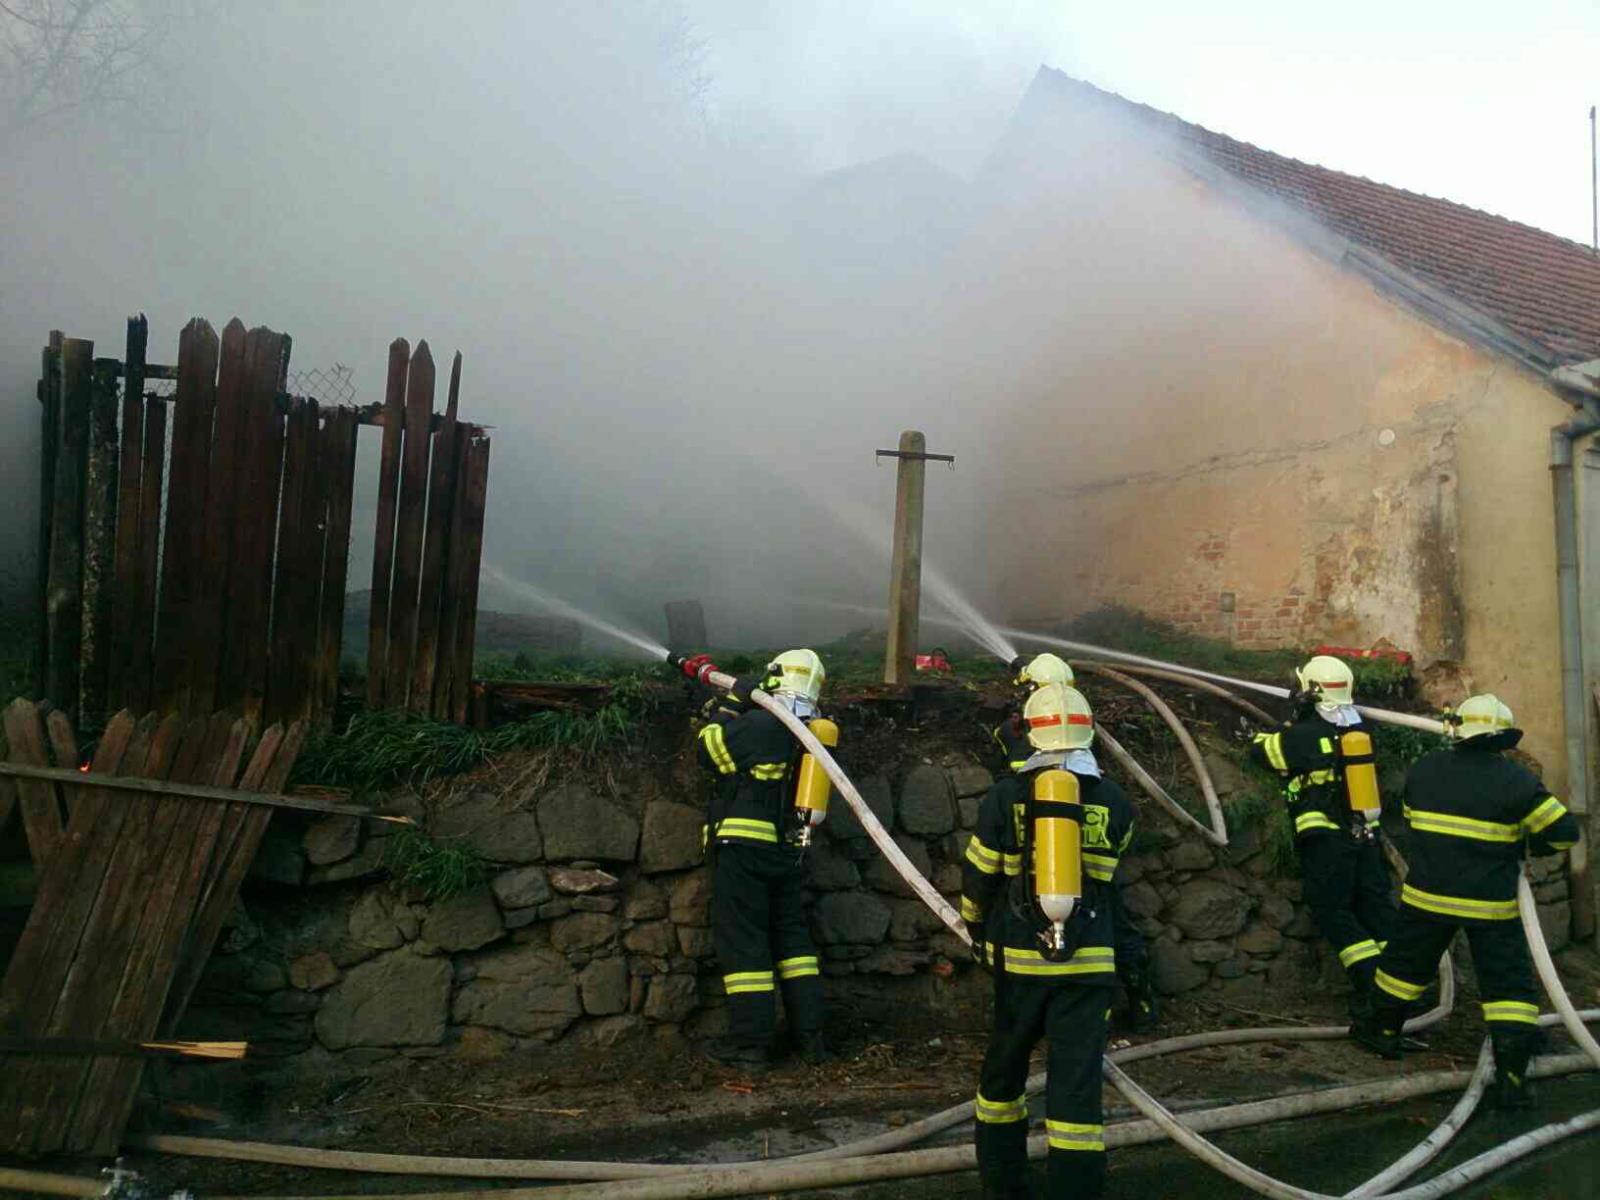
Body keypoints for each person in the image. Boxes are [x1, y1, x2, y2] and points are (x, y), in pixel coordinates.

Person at [1353, 694, 1579, 1107]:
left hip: (1427, 896)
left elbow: (1412, 820)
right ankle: (1511, 1076)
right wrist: (1529, 844)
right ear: (1503, 737)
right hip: (1489, 905)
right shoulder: (1517, 782)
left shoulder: (1425, 768)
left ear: (1458, 731)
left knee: (1404, 966)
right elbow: (1564, 833)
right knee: (1507, 984)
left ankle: (1381, 1032)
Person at [962, 682, 1134, 1200]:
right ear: (1088, 733)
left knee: (1003, 1077)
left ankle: (1003, 1184)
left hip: (1020, 964)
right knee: (1076, 1090)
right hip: (1088, 966)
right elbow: (1108, 876)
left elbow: (981, 874)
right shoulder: (1115, 800)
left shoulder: (1006, 796)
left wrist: (975, 926)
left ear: (1031, 734)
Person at [683, 649, 830, 1070]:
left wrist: (730, 706)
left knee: (744, 942)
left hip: (744, 848)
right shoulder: (810, 732)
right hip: (787, 851)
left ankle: (750, 1044)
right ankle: (811, 1039)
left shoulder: (765, 723)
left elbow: (708, 751)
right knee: (793, 942)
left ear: (776, 677)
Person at [995, 654, 1157, 1034]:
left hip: (1043, 861)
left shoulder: (1029, 733)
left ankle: (1039, 1022)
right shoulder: (1078, 727)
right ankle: (1140, 1004)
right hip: (1095, 861)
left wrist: (1010, 735)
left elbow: (1018, 774)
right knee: (1116, 924)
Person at [1249, 655, 1395, 1020]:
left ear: (1309, 690)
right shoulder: (1360, 729)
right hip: (1367, 835)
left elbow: (1261, 751)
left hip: (1327, 837)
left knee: (1333, 910)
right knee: (1376, 909)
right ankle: (1403, 987)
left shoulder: (1304, 735)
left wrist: (1290, 719)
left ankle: (1374, 989)